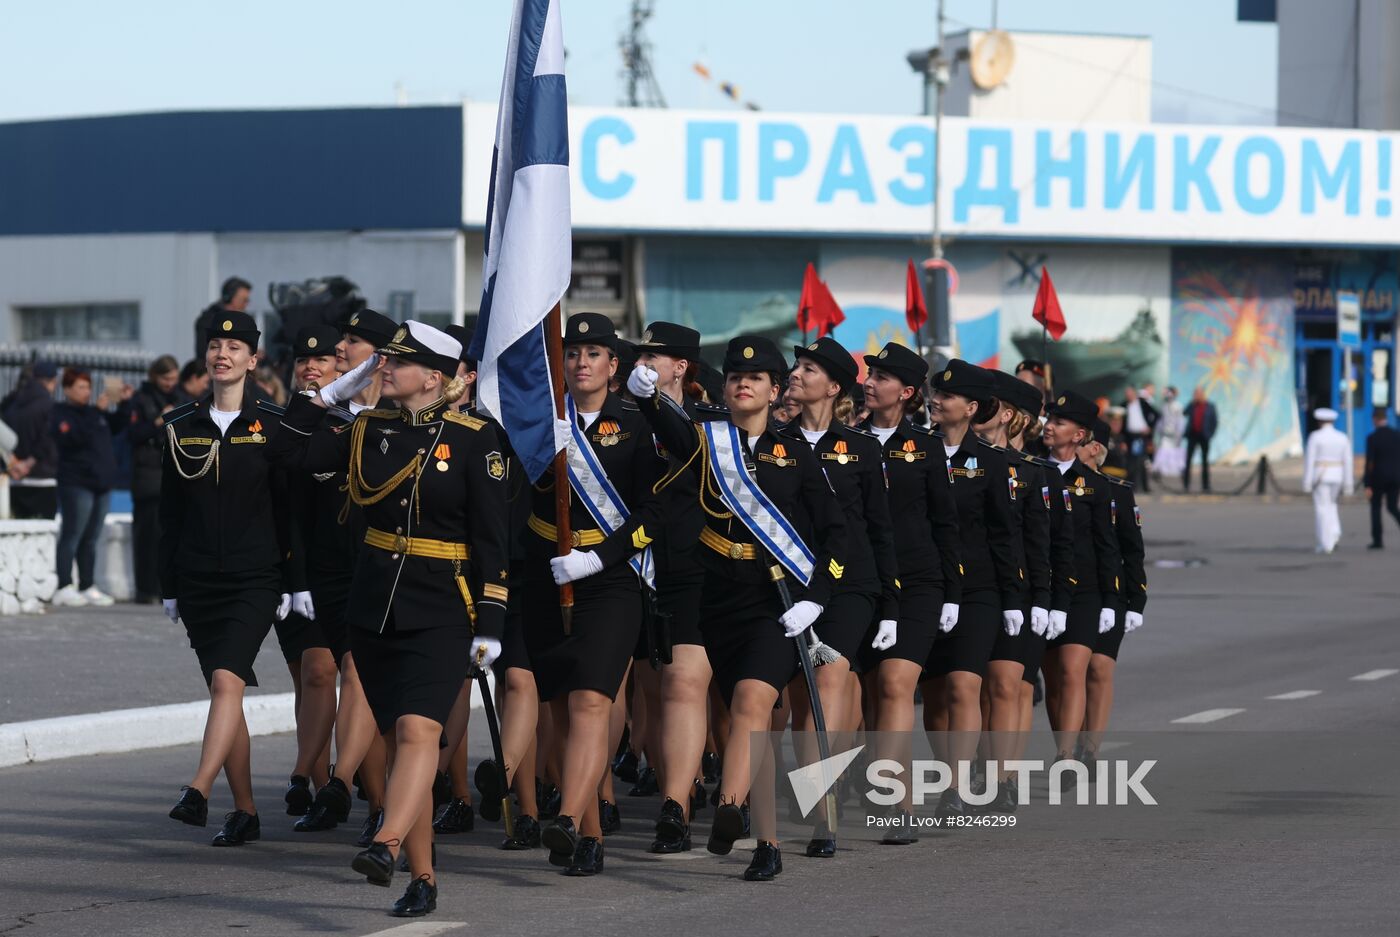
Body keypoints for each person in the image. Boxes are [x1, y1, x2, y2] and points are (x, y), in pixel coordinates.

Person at [269, 320, 509, 918]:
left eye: (398, 363)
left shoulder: (478, 438)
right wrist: (329, 395)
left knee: (419, 732)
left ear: (434, 376)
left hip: (443, 605)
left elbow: (493, 541)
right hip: (373, 605)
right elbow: (287, 452)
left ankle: (386, 841)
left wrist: (493, 622)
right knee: (401, 745)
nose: (385, 369)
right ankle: (423, 879)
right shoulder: (368, 429)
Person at [629, 335, 847, 881]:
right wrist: (651, 400)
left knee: (754, 701)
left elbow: (837, 535)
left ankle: (730, 807)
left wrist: (817, 598)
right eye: (733, 377)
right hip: (717, 597)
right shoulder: (708, 441)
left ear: (777, 392)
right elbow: (675, 433)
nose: (742, 383)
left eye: (756, 378)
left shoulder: (794, 452)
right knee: (746, 720)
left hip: (775, 599)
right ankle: (767, 841)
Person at [529, 313, 667, 877]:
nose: (581, 362)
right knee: (561, 708)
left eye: (593, 353)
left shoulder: (636, 425)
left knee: (592, 701)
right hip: (549, 573)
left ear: (614, 366)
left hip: (609, 577)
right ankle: (588, 831)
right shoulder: (537, 423)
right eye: (572, 352)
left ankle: (565, 817)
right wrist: (537, 454)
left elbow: (655, 510)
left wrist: (599, 557)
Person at [162, 311, 292, 847]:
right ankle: (245, 811)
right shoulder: (180, 424)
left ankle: (198, 789)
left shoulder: (275, 424)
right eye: (216, 344)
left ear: (252, 360)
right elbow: (168, 515)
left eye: (235, 346)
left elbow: (290, 511)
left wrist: (294, 580)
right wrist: (167, 584)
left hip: (254, 577)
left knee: (225, 681)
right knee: (226, 689)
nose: (224, 354)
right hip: (197, 581)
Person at [779, 335, 899, 857]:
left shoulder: (862, 449)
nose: (796, 375)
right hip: (788, 582)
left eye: (808, 369)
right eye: (796, 367)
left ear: (833, 386)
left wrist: (891, 605)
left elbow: (880, 528)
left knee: (827, 678)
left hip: (850, 585)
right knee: (800, 696)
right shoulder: (772, 443)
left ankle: (821, 809)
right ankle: (816, 789)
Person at [289, 308, 399, 841]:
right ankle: (375, 800)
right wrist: (330, 401)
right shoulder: (329, 418)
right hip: (330, 569)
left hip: (385, 566)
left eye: (350, 344)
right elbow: (294, 459)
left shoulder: (405, 419)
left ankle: (341, 780)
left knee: (360, 675)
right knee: (350, 682)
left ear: (378, 356)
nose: (338, 353)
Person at [857, 342, 961, 841]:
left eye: (882, 376)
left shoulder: (925, 448)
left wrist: (953, 592)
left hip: (918, 581)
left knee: (896, 685)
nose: (870, 382)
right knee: (865, 693)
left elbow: (945, 523)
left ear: (908, 392)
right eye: (869, 374)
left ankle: (897, 802)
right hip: (859, 580)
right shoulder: (845, 441)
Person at [922, 360, 1023, 817]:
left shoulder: (992, 463)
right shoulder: (914, 452)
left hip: (978, 589)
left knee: (965, 684)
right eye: (935, 394)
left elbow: (1005, 535)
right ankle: (948, 771)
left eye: (948, 396)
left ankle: (957, 786)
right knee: (938, 691)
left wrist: (1016, 599)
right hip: (926, 586)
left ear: (972, 408)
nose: (936, 401)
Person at [627, 322, 713, 856]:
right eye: (639, 355)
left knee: (687, 684)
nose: (643, 364)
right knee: (650, 691)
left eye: (654, 357)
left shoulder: (709, 421)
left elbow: (691, 450)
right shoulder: (617, 422)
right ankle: (676, 784)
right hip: (625, 566)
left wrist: (655, 405)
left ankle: (676, 805)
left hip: (689, 567)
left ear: (680, 367)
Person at [275, 324, 344, 823]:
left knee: (323, 671)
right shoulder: (283, 423)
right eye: (303, 359)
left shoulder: (348, 423)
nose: (311, 366)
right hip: (285, 569)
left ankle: (304, 774)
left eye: (322, 359)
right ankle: (322, 787)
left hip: (333, 569)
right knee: (306, 680)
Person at [1040, 391, 1120, 785]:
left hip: (1083, 592)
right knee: (1053, 677)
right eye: (1049, 419)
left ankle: (1065, 755)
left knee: (1073, 670)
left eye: (1059, 421)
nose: (1049, 426)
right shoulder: (1031, 472)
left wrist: (1113, 599)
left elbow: (1108, 547)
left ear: (1080, 435)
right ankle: (1065, 741)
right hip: (1040, 590)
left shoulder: (1096, 486)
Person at [1079, 419, 1146, 766]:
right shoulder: (1052, 483)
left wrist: (1137, 600)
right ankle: (1071, 737)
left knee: (1100, 667)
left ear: (1095, 449)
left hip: (1112, 593)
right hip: (1070, 592)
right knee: (1072, 670)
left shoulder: (1117, 492)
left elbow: (1132, 551)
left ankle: (1090, 747)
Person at [50, 368, 128, 607]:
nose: (86, 392)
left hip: (101, 484)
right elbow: (73, 439)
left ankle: (86, 584)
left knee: (92, 537)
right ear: (67, 389)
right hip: (76, 483)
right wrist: (96, 412)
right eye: (81, 387)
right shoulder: (62, 413)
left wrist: (123, 402)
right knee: (73, 534)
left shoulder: (95, 414)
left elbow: (119, 425)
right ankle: (64, 584)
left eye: (88, 387)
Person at [127, 356, 183, 604]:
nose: (170, 383)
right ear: (155, 377)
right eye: (165, 378)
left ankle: (165, 587)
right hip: (148, 476)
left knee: (169, 536)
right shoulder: (141, 400)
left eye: (173, 378)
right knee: (147, 536)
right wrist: (159, 421)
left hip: (172, 473)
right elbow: (134, 434)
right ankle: (145, 588)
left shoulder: (179, 398)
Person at [4, 361, 60, 520]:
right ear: (52, 381)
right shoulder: (48, 405)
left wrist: (13, 463)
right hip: (43, 478)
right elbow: (47, 439)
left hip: (14, 478)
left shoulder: (10, 404)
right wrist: (28, 463)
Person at [1303, 407, 1353, 554]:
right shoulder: (1342, 437)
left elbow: (1310, 460)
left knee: (1321, 509)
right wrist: (1348, 484)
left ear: (1319, 421)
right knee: (1331, 505)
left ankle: (1325, 543)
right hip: (1337, 475)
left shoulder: (1315, 436)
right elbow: (1348, 461)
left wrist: (1306, 482)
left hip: (1321, 475)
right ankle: (1334, 533)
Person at [1364, 410, 1400, 550]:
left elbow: (1370, 462)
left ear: (1375, 419)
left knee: (1375, 508)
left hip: (1378, 479)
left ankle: (1377, 540)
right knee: (1392, 507)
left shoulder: (1373, 437)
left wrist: (1367, 483)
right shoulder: (1397, 435)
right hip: (1395, 477)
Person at [194, 276, 252, 359]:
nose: (246, 305)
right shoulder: (209, 321)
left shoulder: (239, 322)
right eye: (244, 300)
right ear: (230, 298)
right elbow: (204, 354)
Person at [1120, 386, 1158, 492]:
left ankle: (1145, 486)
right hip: (1130, 437)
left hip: (1142, 436)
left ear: (1134, 393)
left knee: (1143, 460)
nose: (1128, 395)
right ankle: (1132, 485)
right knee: (1131, 461)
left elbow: (1156, 414)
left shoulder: (1142, 403)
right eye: (1126, 394)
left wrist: (1150, 427)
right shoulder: (1124, 405)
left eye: (1130, 393)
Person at [1181, 387, 1218, 492]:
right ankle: (1186, 484)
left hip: (1204, 436)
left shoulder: (1210, 406)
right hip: (1192, 435)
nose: (1196, 395)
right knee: (1188, 461)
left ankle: (1206, 485)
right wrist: (1191, 403)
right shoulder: (1192, 405)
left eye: (1198, 393)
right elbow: (1184, 413)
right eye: (1195, 394)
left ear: (1203, 394)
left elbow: (1214, 422)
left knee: (1205, 461)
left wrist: (1210, 434)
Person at [1152, 385, 1185, 480]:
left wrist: (1179, 433)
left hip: (1174, 435)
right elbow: (1161, 421)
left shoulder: (1178, 406)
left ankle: (1174, 470)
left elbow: (1180, 421)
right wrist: (1159, 431)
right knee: (1162, 451)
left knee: (1173, 452)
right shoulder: (1164, 406)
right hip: (1165, 434)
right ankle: (1159, 471)